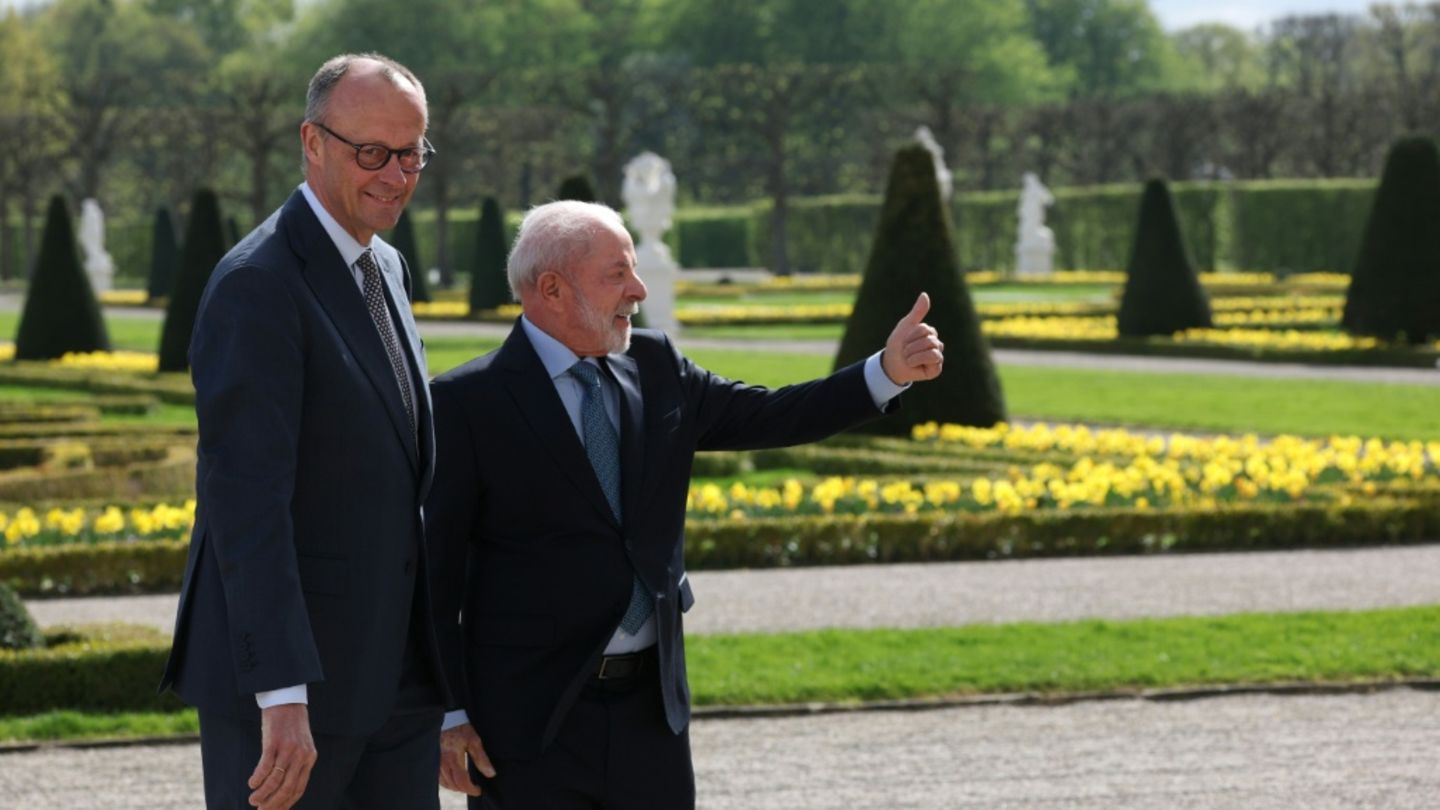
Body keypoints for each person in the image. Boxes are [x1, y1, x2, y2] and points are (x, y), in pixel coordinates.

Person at [425, 200, 944, 809]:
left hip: (653, 716)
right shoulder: (465, 403)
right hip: (527, 725)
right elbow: (434, 577)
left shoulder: (657, 365)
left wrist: (885, 372)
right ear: (551, 289)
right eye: (617, 274)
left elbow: (771, 413)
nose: (639, 290)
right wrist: (448, 711)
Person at [160, 52, 449, 809]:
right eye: (372, 153)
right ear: (312, 142)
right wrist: (280, 694)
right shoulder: (257, 285)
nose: (397, 173)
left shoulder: (385, 265)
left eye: (412, 151)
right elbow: (246, 506)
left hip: (397, 685)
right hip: (294, 701)